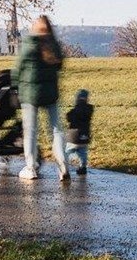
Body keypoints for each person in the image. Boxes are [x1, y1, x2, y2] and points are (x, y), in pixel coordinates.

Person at [14, 15, 68, 181]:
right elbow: (60, 65)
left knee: (30, 132)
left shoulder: (29, 43)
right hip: (50, 93)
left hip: (30, 95)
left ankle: (31, 168)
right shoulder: (53, 45)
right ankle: (63, 166)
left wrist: (14, 86)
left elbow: (18, 68)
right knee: (56, 130)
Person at [65, 88, 94, 176]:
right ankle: (83, 167)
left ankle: (66, 165)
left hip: (73, 136)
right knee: (83, 152)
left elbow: (68, 118)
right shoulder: (90, 109)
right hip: (85, 136)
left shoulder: (75, 110)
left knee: (68, 151)